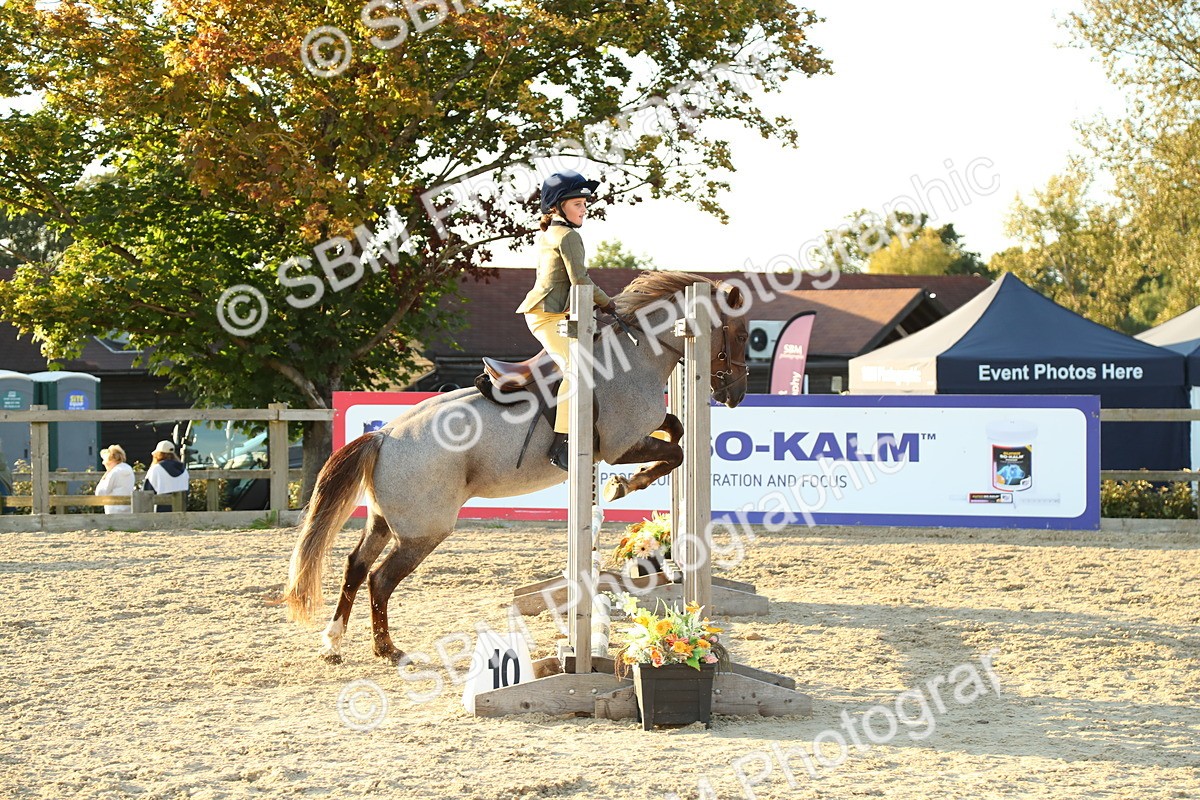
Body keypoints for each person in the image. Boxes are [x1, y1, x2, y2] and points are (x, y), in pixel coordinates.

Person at [516, 170, 618, 470]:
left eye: (585, 203)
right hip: (547, 317)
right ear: (558, 206)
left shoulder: (553, 233)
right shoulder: (569, 236)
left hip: (555, 315)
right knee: (577, 367)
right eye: (577, 203)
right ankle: (562, 443)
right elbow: (581, 281)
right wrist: (610, 304)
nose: (584, 208)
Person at [144, 440, 190, 512]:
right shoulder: (184, 470)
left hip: (161, 512)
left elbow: (146, 493)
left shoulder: (155, 469)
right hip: (181, 510)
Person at [94, 444, 135, 514]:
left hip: (113, 511)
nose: (103, 463)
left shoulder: (114, 472)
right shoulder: (129, 469)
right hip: (128, 510)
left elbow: (100, 493)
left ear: (110, 460)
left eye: (104, 460)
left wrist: (104, 478)